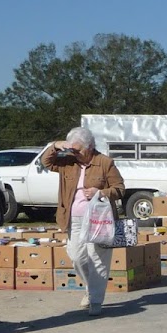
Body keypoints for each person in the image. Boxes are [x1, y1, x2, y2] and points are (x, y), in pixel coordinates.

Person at [41, 127, 125, 316]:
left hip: (99, 220)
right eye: (73, 150)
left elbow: (120, 188)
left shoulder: (105, 163)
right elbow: (45, 162)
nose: (76, 154)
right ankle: (90, 287)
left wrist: (101, 192)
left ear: (91, 147)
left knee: (97, 259)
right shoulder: (67, 162)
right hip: (73, 218)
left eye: (79, 150)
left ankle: (95, 300)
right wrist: (55, 145)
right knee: (77, 257)